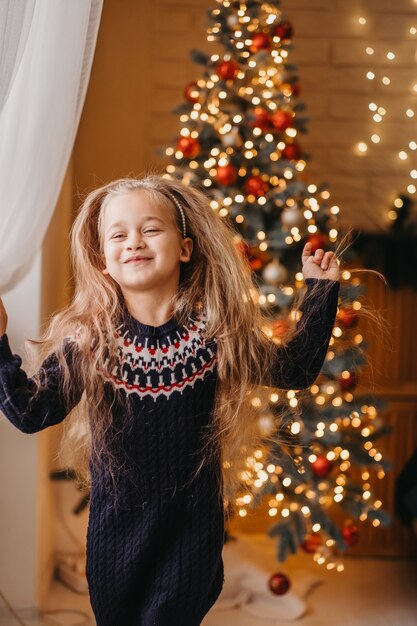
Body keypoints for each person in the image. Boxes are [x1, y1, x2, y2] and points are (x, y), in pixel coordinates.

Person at [0, 175, 340, 626]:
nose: (134, 242)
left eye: (151, 229)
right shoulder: (90, 343)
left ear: (184, 247)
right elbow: (29, 411)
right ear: (104, 261)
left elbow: (294, 370)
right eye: (118, 234)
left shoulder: (215, 335)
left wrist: (320, 292)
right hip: (115, 535)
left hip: (191, 530)